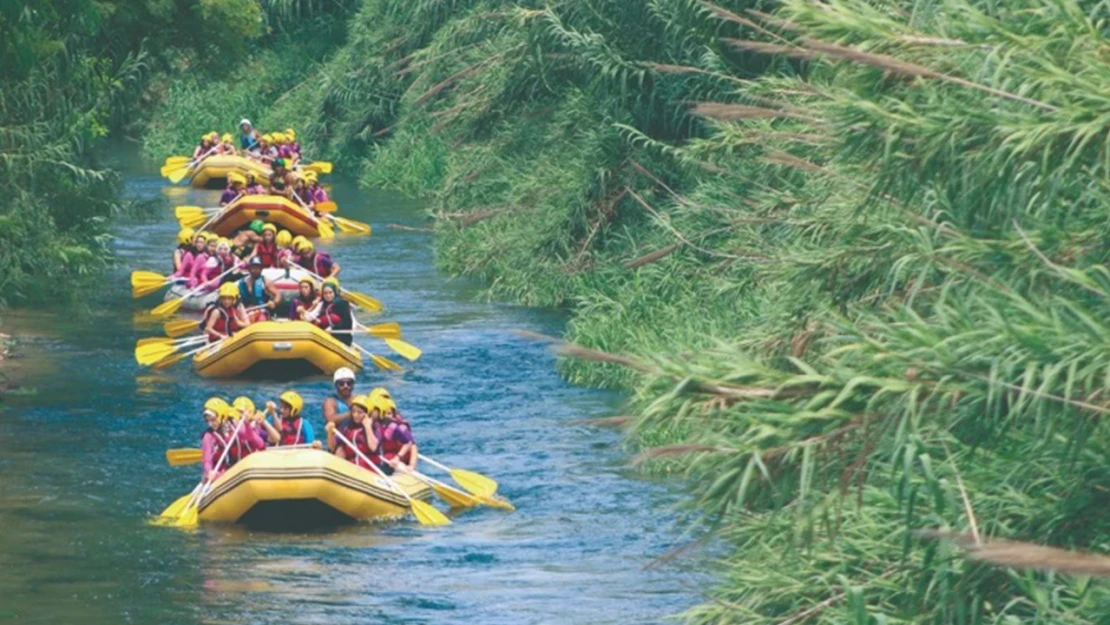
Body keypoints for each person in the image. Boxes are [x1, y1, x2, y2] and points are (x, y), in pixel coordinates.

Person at [325, 394, 383, 472]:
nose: (355, 415)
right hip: (352, 469)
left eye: (360, 412)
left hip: (369, 470)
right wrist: (330, 433)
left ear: (367, 413)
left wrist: (368, 427)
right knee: (340, 449)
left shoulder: (375, 426)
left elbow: (374, 447)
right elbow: (332, 448)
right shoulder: (347, 426)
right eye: (354, 412)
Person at [304, 278, 353, 346]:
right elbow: (310, 316)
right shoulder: (322, 304)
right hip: (326, 336)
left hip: (340, 337)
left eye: (330, 292)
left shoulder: (342, 304)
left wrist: (333, 328)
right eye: (325, 293)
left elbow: (347, 323)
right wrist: (304, 311)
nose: (328, 295)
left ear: (335, 292)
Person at [376, 392, 417, 471]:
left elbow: (412, 445)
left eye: (389, 413)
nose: (386, 416)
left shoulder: (400, 427)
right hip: (386, 458)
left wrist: (411, 465)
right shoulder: (376, 424)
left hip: (397, 461)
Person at [226, 396, 267, 465]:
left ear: (250, 414)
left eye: (241, 412)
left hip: (250, 462)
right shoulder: (231, 426)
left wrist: (264, 422)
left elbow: (263, 444)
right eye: (237, 411)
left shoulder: (255, 427)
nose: (239, 415)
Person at [238, 257, 281, 321]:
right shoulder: (242, 282)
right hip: (245, 311)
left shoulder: (266, 281)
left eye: (257, 268)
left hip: (262, 310)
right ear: (249, 269)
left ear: (261, 269)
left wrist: (274, 303)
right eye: (252, 268)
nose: (254, 270)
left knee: (261, 319)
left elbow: (278, 295)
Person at [201, 398, 232, 481]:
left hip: (237, 468)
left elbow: (259, 443)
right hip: (221, 473)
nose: (210, 424)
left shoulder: (235, 427)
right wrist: (209, 472)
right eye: (207, 421)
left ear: (223, 416)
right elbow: (207, 460)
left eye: (213, 420)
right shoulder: (208, 437)